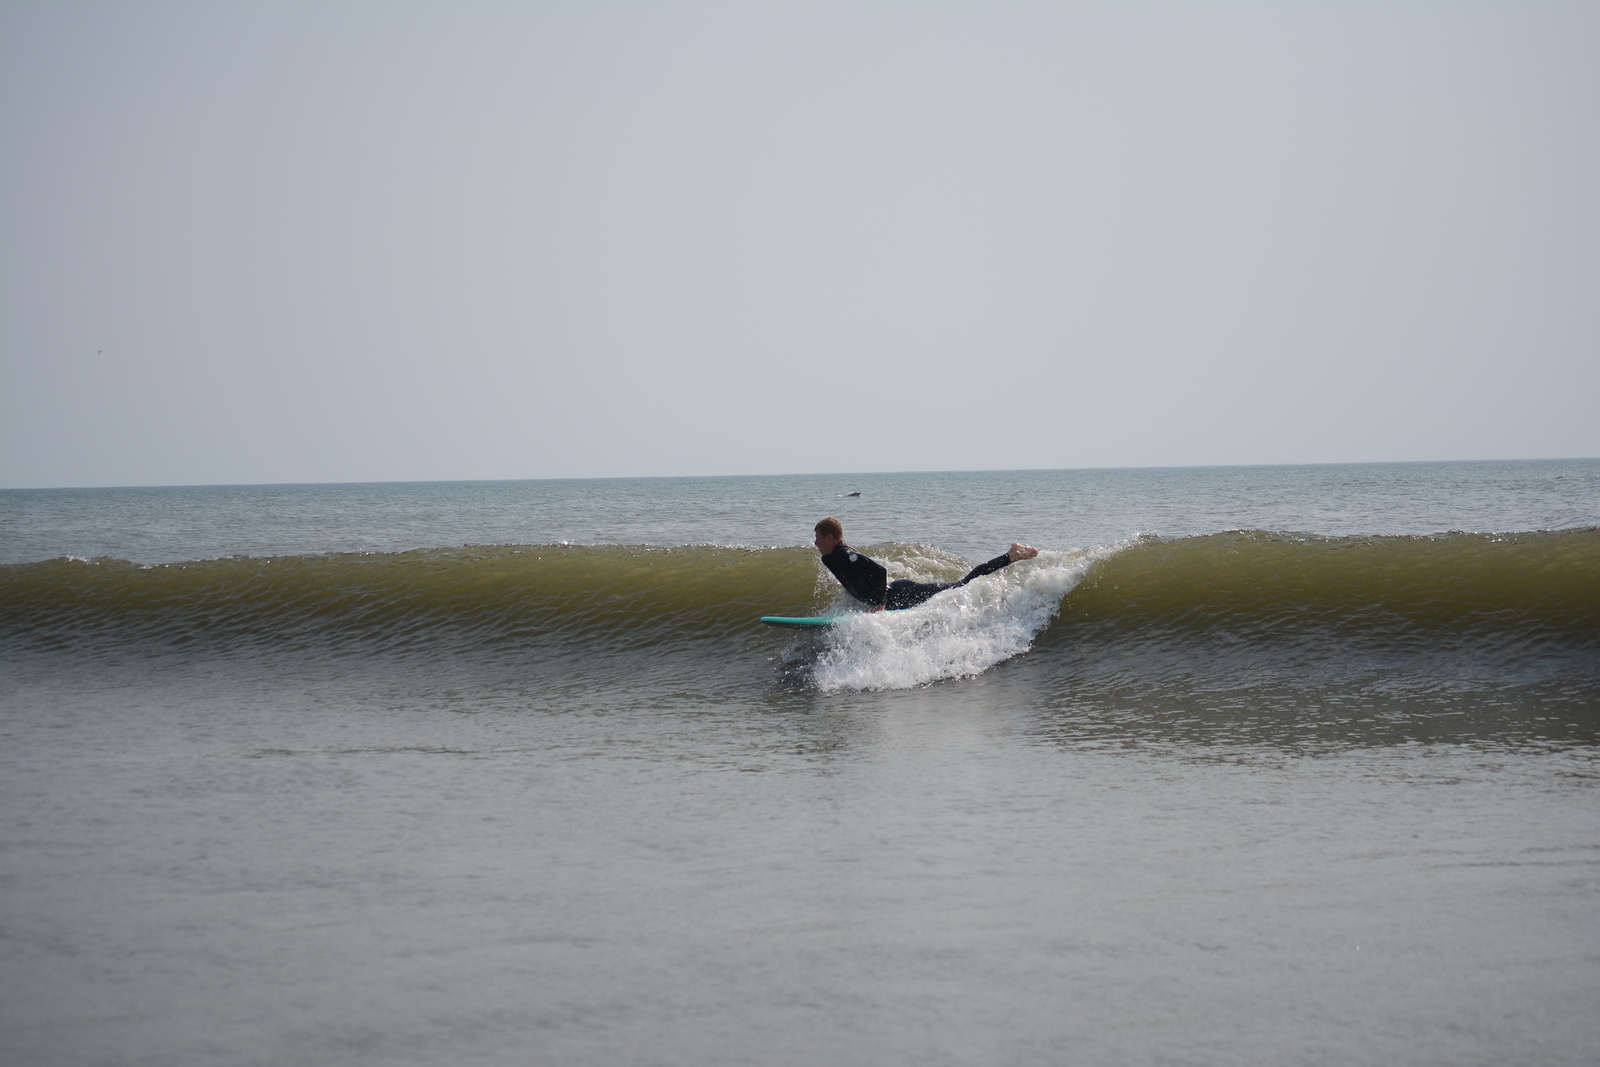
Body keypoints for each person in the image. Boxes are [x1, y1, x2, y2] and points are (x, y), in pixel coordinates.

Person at [812, 516, 1039, 612]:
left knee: (964, 584)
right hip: (895, 594)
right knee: (961, 585)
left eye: (818, 537)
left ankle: (1012, 555)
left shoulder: (843, 555)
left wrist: (880, 603)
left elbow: (879, 570)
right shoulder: (831, 557)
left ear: (830, 538)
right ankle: (1012, 555)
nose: (815, 543)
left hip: (902, 594)